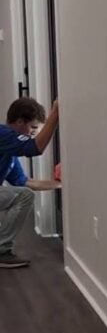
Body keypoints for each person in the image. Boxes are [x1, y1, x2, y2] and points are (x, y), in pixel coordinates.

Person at [0, 96, 61, 269]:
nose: (34, 133)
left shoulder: (7, 151)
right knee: (24, 196)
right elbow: (35, 148)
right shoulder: (2, 134)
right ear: (19, 121)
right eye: (33, 127)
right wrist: (55, 114)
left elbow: (25, 182)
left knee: (22, 193)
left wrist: (61, 183)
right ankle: (1, 251)